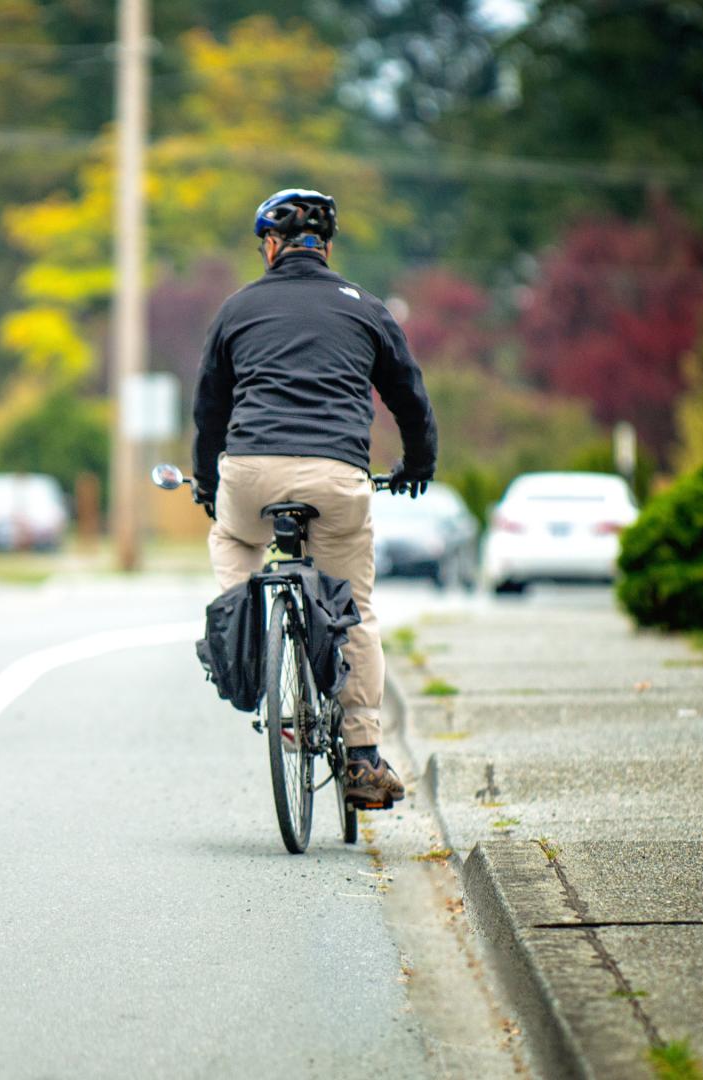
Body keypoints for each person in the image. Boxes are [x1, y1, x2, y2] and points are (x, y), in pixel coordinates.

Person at [191, 188, 437, 808]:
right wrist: (417, 464)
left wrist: (204, 481)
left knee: (231, 536)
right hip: (337, 476)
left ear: (270, 247)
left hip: (250, 474)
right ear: (326, 247)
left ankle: (244, 633)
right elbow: (409, 396)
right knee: (354, 607)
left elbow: (209, 410)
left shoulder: (237, 308)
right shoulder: (367, 308)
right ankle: (360, 755)